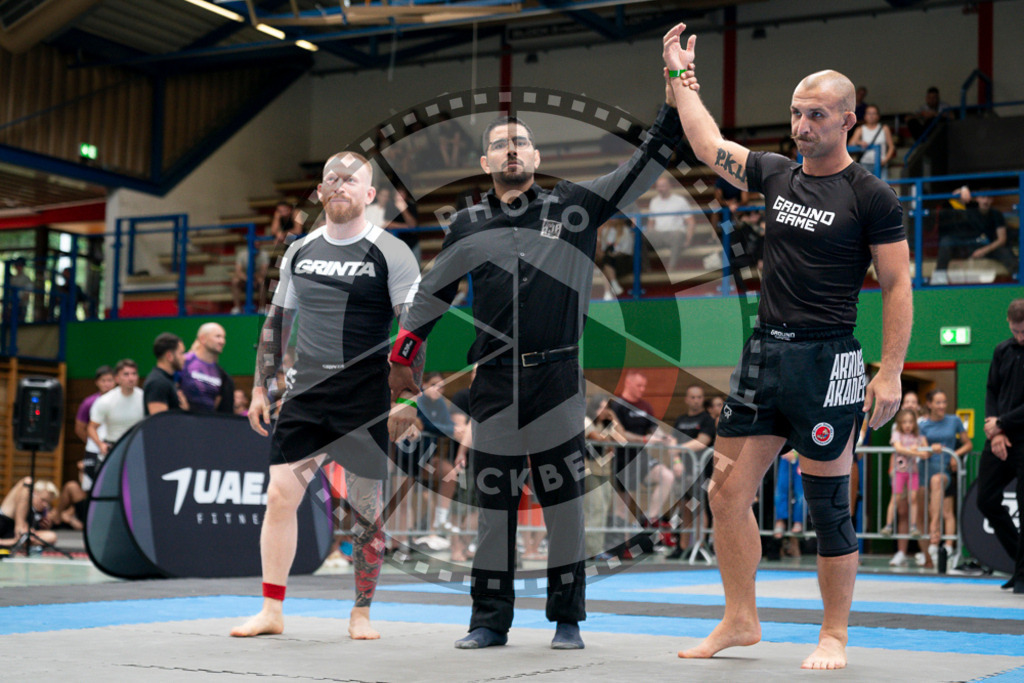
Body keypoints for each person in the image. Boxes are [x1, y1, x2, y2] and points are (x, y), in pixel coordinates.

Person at [388, 77, 688, 650]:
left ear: (536, 155)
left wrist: (670, 111)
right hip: (495, 382)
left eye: (521, 142)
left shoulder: (575, 206)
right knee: (493, 505)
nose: (511, 149)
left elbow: (642, 171)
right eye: (501, 143)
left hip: (557, 377)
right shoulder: (467, 224)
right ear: (485, 160)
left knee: (564, 506)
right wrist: (403, 364)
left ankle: (567, 618)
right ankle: (489, 620)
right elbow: (429, 298)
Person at [663, 24, 911, 669]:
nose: (802, 125)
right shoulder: (775, 174)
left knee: (827, 502)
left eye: (817, 115)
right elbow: (705, 141)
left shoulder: (871, 196)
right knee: (724, 494)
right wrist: (679, 76)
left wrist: (890, 373)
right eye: (797, 113)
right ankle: (741, 619)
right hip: (763, 355)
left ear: (848, 121)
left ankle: (833, 633)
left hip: (829, 361)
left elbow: (897, 283)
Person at [230, 151, 421, 641]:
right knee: (279, 497)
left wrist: (406, 396)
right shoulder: (298, 250)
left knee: (365, 509)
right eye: (330, 179)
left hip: (365, 400)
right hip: (305, 396)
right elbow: (277, 324)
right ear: (319, 192)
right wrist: (258, 385)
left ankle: (361, 613)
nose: (339, 186)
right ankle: (272, 610)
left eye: (350, 180)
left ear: (369, 194)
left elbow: (412, 330)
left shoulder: (392, 252)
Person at [977, 299, 1024, 592]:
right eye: (1017, 331)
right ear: (1008, 323)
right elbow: (991, 389)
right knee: (987, 499)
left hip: (1017, 434)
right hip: (1000, 437)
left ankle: (1022, 574)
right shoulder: (1002, 350)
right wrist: (994, 432)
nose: (1021, 337)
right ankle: (1019, 562)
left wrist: (1001, 423)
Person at [609, 371, 676, 532]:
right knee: (622, 507)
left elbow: (653, 428)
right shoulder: (617, 406)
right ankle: (620, 544)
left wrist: (664, 437)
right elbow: (620, 433)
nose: (642, 389)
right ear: (628, 383)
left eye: (644, 386)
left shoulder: (645, 406)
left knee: (666, 476)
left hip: (641, 458)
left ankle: (649, 518)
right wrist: (645, 439)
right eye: (639, 385)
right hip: (622, 460)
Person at [918, 389, 971, 567]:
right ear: (930, 404)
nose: (942, 406)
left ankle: (941, 538)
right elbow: (923, 448)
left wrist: (954, 455)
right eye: (938, 402)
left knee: (939, 487)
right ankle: (930, 552)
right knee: (936, 508)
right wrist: (929, 448)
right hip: (926, 470)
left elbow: (968, 444)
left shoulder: (954, 421)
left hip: (944, 471)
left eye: (944, 402)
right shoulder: (923, 425)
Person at [61, 365, 115, 528]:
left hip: (113, 448)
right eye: (103, 380)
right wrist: (94, 444)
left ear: (116, 381)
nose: (107, 384)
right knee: (88, 485)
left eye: (110, 380)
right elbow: (80, 427)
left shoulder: (120, 400)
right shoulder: (90, 402)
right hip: (95, 449)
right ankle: (88, 519)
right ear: (97, 382)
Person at [935, 186, 1018, 279]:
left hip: (989, 248)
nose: (985, 201)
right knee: (946, 241)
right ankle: (939, 278)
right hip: (969, 246)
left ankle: (1020, 281)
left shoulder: (996, 214)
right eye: (982, 197)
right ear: (977, 199)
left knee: (1005, 253)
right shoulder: (971, 208)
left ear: (992, 200)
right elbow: (955, 195)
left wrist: (983, 251)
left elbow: (1002, 239)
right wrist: (963, 189)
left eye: (988, 198)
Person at [881, 409, 928, 566]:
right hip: (899, 472)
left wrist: (920, 451)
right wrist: (913, 451)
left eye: (910, 422)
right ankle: (888, 525)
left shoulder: (918, 436)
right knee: (896, 497)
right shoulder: (897, 435)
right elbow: (899, 448)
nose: (908, 425)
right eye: (905, 422)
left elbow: (925, 452)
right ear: (900, 424)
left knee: (913, 498)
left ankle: (914, 526)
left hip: (913, 472)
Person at [88, 359, 145, 458]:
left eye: (134, 374)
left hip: (137, 448)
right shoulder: (105, 400)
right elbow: (91, 427)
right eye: (126, 374)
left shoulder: (144, 397)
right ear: (117, 378)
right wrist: (100, 444)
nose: (131, 378)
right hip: (113, 449)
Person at [646, 174, 697, 270]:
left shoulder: (680, 201)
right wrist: (650, 233)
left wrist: (688, 240)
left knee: (677, 235)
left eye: (663, 186)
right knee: (642, 237)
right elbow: (650, 223)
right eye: (658, 186)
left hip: (674, 234)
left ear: (669, 186)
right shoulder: (653, 201)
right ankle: (646, 269)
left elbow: (691, 222)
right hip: (658, 234)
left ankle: (670, 269)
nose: (660, 188)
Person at [181, 323, 234, 413]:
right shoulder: (185, 361)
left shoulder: (221, 373)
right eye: (218, 336)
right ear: (203, 339)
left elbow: (219, 401)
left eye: (223, 337)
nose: (222, 341)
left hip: (207, 421)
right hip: (182, 419)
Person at [0, 478, 58, 548]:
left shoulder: (40, 513)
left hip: (13, 538)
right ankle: (15, 537)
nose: (45, 505)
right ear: (34, 493)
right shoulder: (21, 498)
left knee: (52, 536)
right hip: (4, 525)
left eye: (48, 502)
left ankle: (7, 543)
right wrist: (21, 524)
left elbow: (31, 535)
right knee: (28, 481)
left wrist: (39, 527)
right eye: (43, 500)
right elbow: (27, 481)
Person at [143, 332, 186, 415]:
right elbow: (160, 423)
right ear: (169, 356)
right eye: (181, 353)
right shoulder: (157, 383)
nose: (184, 358)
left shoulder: (167, 380)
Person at [848, 105, 894, 180]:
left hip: (880, 163)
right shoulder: (860, 129)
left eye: (874, 113)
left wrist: (885, 160)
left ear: (878, 116)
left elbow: (891, 147)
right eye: (869, 113)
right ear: (865, 116)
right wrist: (859, 142)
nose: (871, 116)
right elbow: (851, 143)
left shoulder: (884, 128)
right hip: (865, 164)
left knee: (882, 189)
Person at [773, 449, 804, 558]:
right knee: (780, 490)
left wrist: (796, 453)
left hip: (802, 455)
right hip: (785, 454)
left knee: (800, 493)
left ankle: (798, 521)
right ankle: (780, 520)